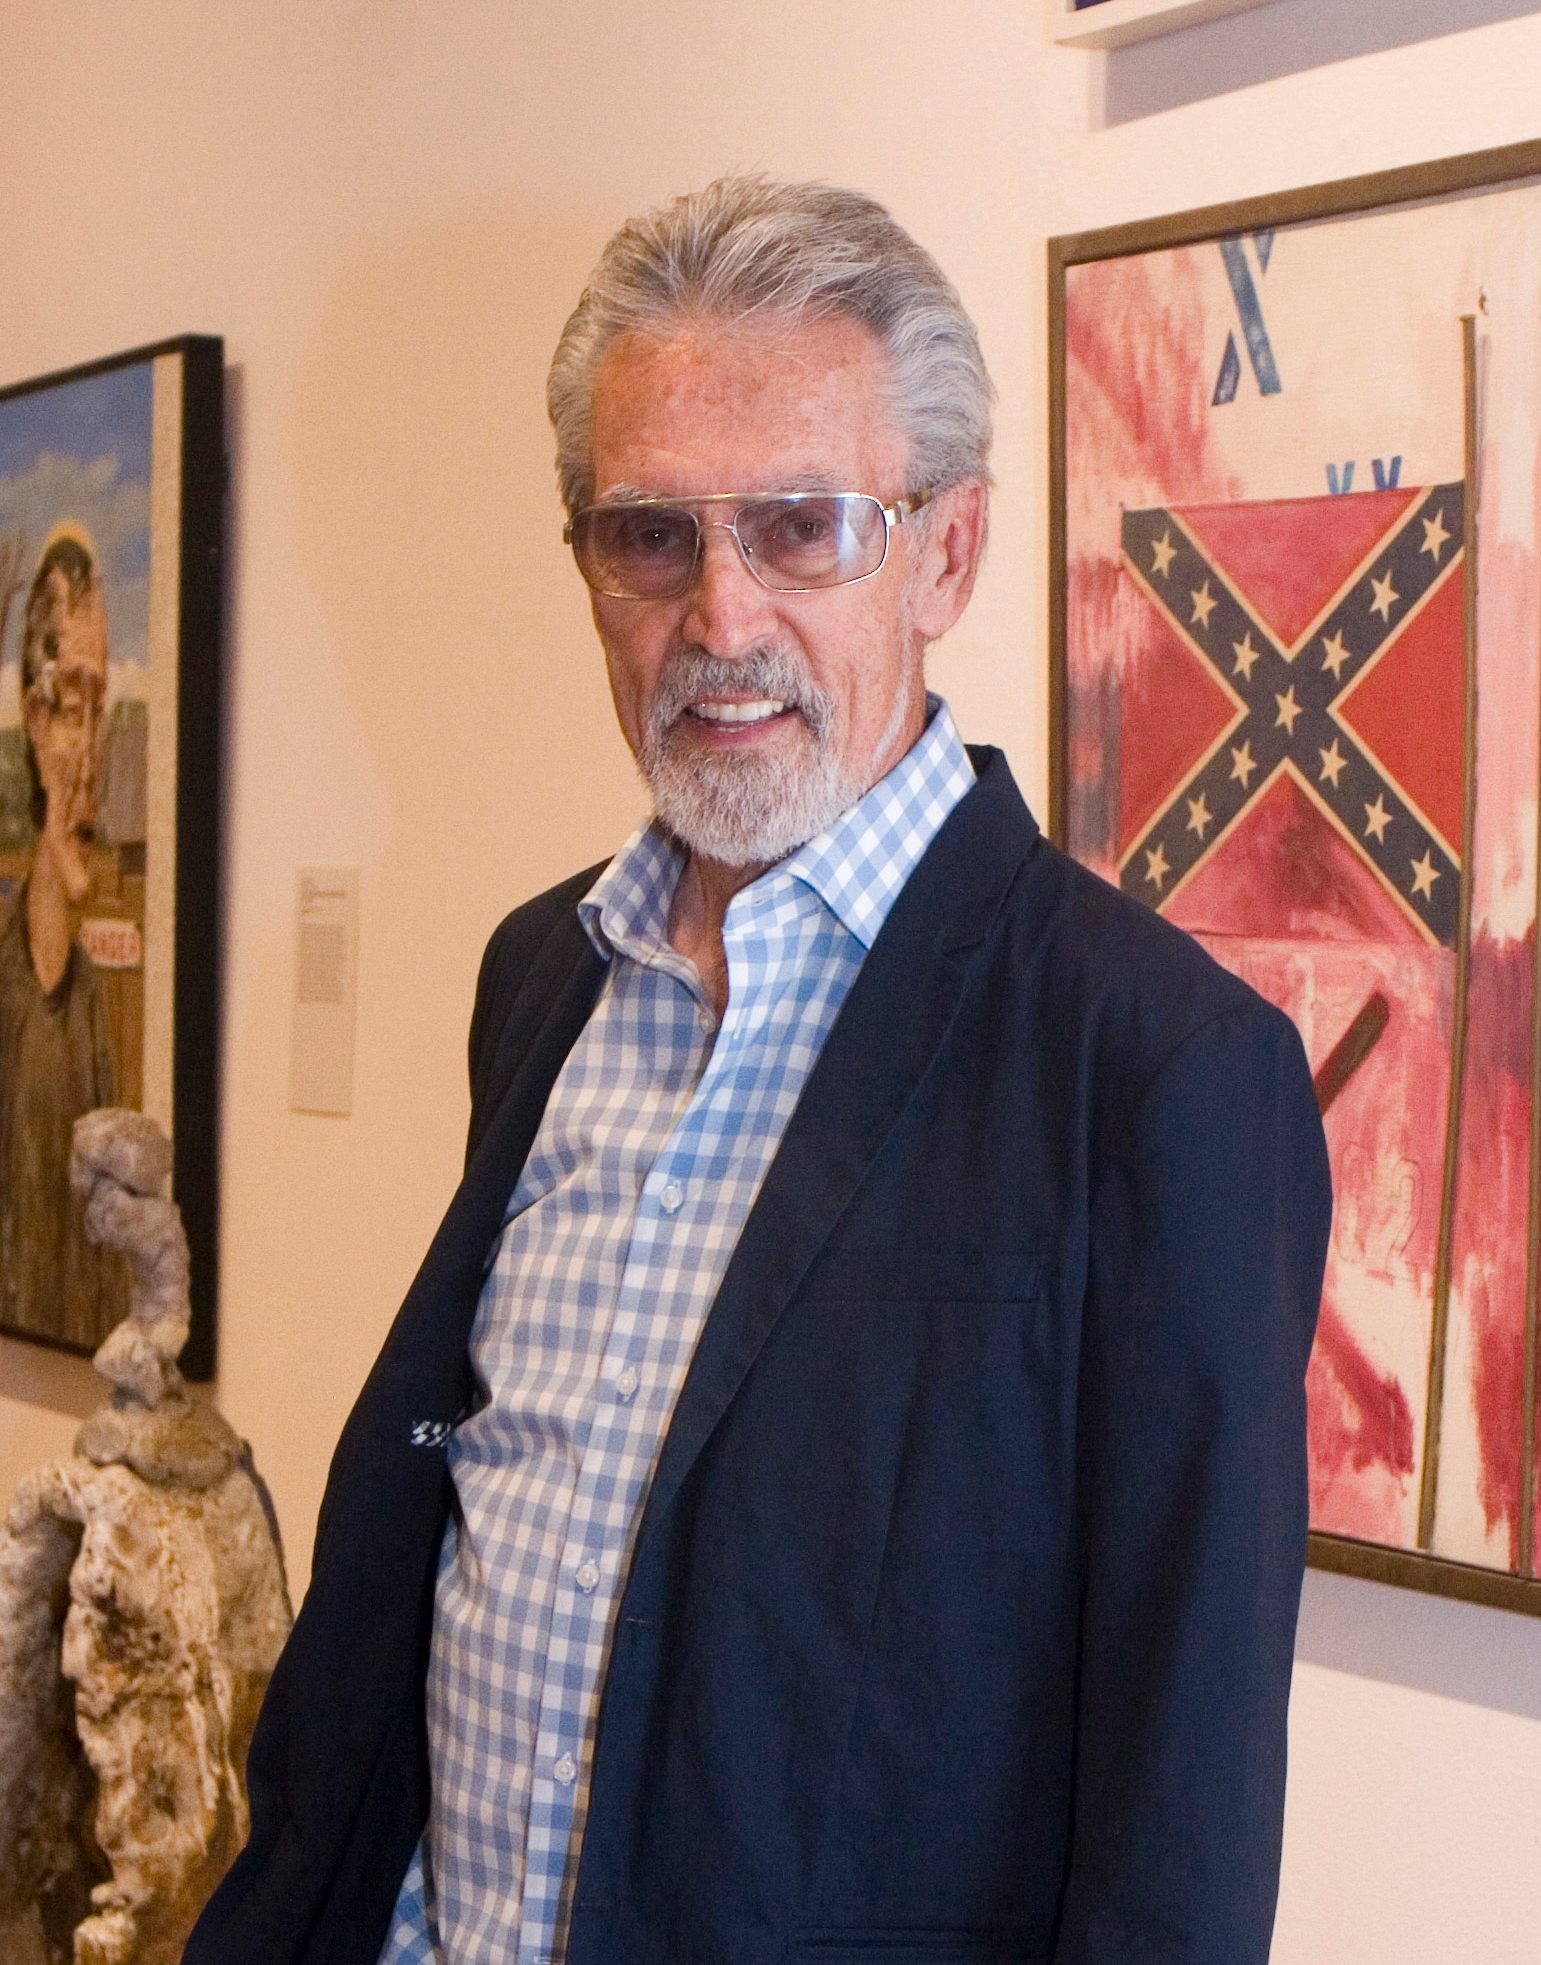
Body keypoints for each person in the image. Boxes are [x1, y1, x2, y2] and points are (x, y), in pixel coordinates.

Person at [186, 175, 1331, 1965]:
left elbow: (1173, 1848)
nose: (719, 617)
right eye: (650, 537)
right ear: (584, 565)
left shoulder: (1159, 1078)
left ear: (944, 554)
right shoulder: (541, 975)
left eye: (803, 529)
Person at [0, 522, 130, 1350]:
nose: (87, 753)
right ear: (33, 716)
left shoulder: (102, 1004)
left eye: (99, 707)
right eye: (69, 705)